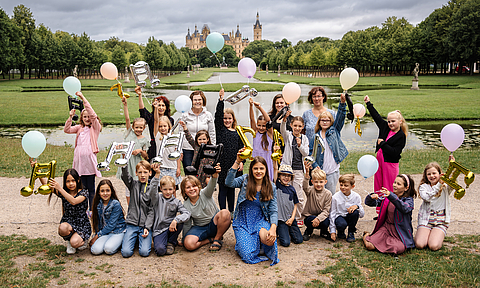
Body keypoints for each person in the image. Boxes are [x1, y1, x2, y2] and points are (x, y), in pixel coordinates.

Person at [225, 152, 279, 265]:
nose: (258, 171)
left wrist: (273, 228)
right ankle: (247, 243)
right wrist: (237, 162)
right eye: (255, 168)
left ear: (266, 170)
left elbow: (273, 210)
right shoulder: (245, 180)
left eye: (261, 168)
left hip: (260, 220)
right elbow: (228, 183)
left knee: (269, 241)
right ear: (251, 169)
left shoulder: (271, 186)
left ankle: (257, 243)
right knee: (247, 256)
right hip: (243, 221)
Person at [63, 91, 102, 212]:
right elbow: (67, 129)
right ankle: (83, 209)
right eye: (84, 117)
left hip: (89, 163)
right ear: (81, 118)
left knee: (91, 187)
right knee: (82, 188)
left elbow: (93, 114)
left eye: (88, 117)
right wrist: (70, 117)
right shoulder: (79, 128)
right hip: (80, 162)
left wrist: (82, 98)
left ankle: (92, 210)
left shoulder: (95, 128)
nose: (87, 119)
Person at [364, 95, 407, 198]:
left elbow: (394, 152)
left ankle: (389, 210)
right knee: (378, 185)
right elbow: (376, 116)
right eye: (388, 121)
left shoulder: (401, 136)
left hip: (390, 164)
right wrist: (368, 103)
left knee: (389, 187)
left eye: (393, 121)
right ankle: (380, 209)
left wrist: (382, 143)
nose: (390, 123)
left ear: (400, 122)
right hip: (379, 161)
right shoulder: (385, 127)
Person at [181, 164, 231, 252]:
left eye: (194, 186)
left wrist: (215, 175)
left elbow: (212, 184)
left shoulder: (205, 193)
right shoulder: (186, 205)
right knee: (189, 244)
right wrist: (184, 239)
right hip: (199, 227)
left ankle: (217, 239)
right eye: (188, 187)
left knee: (225, 213)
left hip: (214, 223)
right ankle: (209, 240)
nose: (192, 189)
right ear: (184, 191)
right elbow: (187, 223)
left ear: (198, 187)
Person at [363, 174, 416, 254]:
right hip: (386, 228)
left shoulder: (408, 200)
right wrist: (371, 197)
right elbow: (369, 203)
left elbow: (405, 208)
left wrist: (392, 196)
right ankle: (367, 235)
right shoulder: (388, 197)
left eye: (398, 184)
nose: (395, 185)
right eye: (395, 182)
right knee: (369, 246)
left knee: (399, 249)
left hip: (399, 231)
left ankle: (382, 243)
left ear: (406, 188)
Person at [310, 93, 348, 195]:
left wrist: (342, 103)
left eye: (327, 120)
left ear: (331, 122)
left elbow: (340, 117)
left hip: (332, 171)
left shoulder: (334, 131)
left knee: (330, 195)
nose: (325, 122)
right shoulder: (315, 137)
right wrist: (315, 165)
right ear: (319, 122)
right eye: (323, 120)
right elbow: (311, 153)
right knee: (319, 195)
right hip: (320, 171)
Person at [120, 161, 160, 258]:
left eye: (145, 172)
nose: (142, 175)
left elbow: (152, 210)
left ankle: (138, 239)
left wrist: (147, 227)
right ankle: (134, 238)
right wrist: (123, 160)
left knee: (144, 252)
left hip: (145, 226)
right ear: (136, 173)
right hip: (132, 224)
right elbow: (125, 176)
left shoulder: (152, 187)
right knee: (126, 253)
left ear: (150, 173)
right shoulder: (133, 185)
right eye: (140, 172)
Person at [415, 158, 455, 251]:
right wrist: (438, 185)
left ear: (439, 174)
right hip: (426, 221)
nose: (432, 176)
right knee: (420, 244)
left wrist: (452, 166)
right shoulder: (423, 187)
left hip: (440, 222)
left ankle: (438, 234)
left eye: (434, 173)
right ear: (425, 176)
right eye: (429, 174)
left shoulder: (445, 187)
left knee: (433, 246)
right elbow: (427, 198)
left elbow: (453, 182)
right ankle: (427, 233)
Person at [48, 168, 91, 254]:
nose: (71, 184)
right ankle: (70, 239)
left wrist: (59, 188)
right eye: (68, 181)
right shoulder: (64, 192)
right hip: (69, 222)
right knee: (62, 228)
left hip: (82, 224)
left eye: (73, 180)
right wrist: (37, 172)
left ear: (78, 180)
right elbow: (47, 185)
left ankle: (83, 240)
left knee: (74, 243)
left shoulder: (84, 192)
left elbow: (73, 201)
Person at [215, 89, 244, 213]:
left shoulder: (238, 132)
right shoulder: (220, 130)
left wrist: (242, 162)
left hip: (233, 165)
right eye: (225, 118)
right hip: (222, 164)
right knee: (222, 189)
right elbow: (217, 116)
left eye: (229, 118)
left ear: (233, 119)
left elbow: (242, 149)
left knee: (231, 189)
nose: (227, 120)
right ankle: (223, 212)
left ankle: (231, 212)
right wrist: (221, 100)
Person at [117, 96, 150, 204]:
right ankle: (130, 207)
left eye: (141, 128)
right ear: (132, 127)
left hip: (137, 164)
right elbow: (127, 118)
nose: (138, 130)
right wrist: (125, 105)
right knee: (128, 187)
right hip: (127, 162)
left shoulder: (144, 140)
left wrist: (140, 151)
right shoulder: (129, 133)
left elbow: (146, 156)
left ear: (144, 128)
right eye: (136, 127)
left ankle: (140, 205)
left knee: (138, 185)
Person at [280, 111, 309, 225]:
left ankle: (298, 217)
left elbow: (306, 153)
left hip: (298, 170)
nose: (297, 128)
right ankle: (286, 215)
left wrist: (300, 145)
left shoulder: (304, 138)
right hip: (287, 169)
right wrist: (284, 119)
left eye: (299, 126)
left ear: (303, 127)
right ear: (291, 125)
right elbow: (282, 129)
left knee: (298, 195)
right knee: (286, 193)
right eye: (295, 125)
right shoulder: (288, 135)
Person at [151, 176, 190, 256]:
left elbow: (187, 214)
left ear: (174, 189)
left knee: (180, 221)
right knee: (160, 251)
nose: (168, 192)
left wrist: (176, 220)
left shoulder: (176, 202)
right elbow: (152, 190)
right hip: (159, 230)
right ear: (160, 188)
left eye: (170, 189)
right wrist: (157, 174)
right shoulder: (157, 198)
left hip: (171, 228)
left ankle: (171, 242)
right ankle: (161, 240)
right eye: (165, 189)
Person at [136, 86, 174, 161]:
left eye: (163, 105)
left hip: (166, 145)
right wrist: (140, 95)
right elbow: (142, 110)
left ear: (166, 107)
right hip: (154, 146)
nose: (161, 107)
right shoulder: (151, 117)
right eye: (159, 105)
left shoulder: (170, 120)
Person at [89, 179, 126, 255]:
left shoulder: (115, 204)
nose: (105, 193)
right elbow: (97, 221)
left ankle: (119, 242)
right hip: (105, 232)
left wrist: (97, 236)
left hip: (117, 231)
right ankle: (109, 242)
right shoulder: (98, 204)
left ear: (111, 191)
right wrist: (97, 234)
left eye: (107, 190)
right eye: (102, 191)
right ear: (99, 193)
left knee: (108, 249)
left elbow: (111, 225)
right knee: (95, 250)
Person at [181, 90, 216, 169]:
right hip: (188, 149)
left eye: (199, 99)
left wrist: (212, 149)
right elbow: (181, 133)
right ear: (191, 101)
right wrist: (180, 150)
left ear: (203, 101)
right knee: (189, 174)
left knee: (202, 173)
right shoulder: (185, 115)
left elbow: (212, 133)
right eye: (195, 100)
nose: (197, 102)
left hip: (204, 149)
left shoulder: (208, 115)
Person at [329, 174, 364, 242]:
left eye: (346, 185)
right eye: (341, 185)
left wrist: (357, 206)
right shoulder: (335, 197)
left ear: (352, 186)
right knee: (341, 224)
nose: (343, 187)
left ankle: (351, 232)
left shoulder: (356, 196)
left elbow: (362, 215)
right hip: (339, 217)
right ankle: (340, 231)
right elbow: (332, 213)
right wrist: (332, 231)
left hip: (350, 216)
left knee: (355, 213)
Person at [249, 97, 277, 181]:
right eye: (259, 125)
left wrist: (259, 108)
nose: (261, 128)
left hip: (267, 163)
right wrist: (250, 106)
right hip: (256, 163)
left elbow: (269, 121)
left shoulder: (269, 134)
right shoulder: (255, 133)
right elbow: (251, 119)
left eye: (263, 126)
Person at [302, 163, 332, 241]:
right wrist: (307, 174)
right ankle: (308, 231)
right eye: (316, 182)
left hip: (321, 217)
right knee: (309, 220)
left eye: (321, 182)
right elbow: (305, 186)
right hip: (310, 216)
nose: (318, 184)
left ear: (325, 182)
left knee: (326, 221)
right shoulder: (310, 190)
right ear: (312, 182)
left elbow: (326, 210)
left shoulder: (328, 194)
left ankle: (324, 231)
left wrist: (318, 219)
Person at [275, 164, 303, 247]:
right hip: (281, 219)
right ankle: (280, 231)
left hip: (290, 218)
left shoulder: (292, 189)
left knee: (299, 240)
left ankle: (287, 231)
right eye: (283, 175)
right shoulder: (277, 186)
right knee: (286, 243)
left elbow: (295, 204)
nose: (286, 178)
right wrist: (275, 160)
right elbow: (275, 169)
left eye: (288, 176)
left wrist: (292, 218)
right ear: (279, 176)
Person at [154, 115, 182, 195]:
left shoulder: (174, 138)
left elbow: (177, 155)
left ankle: (174, 207)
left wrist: (178, 168)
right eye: (160, 126)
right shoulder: (158, 137)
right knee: (163, 190)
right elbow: (155, 121)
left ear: (169, 126)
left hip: (173, 168)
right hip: (162, 168)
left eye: (164, 126)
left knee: (173, 191)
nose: (163, 128)